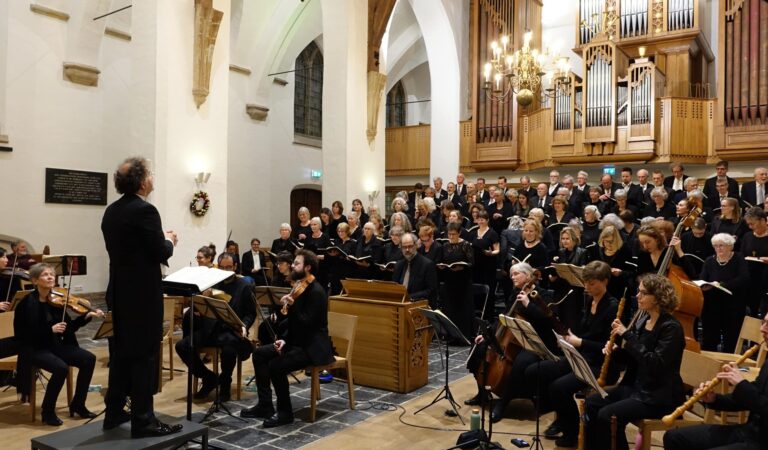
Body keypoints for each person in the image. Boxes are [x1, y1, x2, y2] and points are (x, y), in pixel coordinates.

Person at [101, 156, 182, 437]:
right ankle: (144, 420)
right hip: (142, 295)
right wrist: (169, 239)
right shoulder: (145, 210)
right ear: (143, 181)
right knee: (145, 356)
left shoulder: (111, 211)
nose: (152, 178)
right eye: (150, 174)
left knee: (121, 353)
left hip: (119, 291)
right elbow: (160, 252)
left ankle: (114, 412)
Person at [585, 274, 685, 450]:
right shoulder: (644, 320)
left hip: (658, 396)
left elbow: (655, 364)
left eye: (643, 293)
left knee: (608, 416)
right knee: (592, 404)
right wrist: (615, 351)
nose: (638, 296)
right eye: (639, 291)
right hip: (636, 387)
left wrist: (628, 335)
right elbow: (634, 359)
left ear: (658, 297)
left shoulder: (671, 328)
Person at [240, 250, 334, 427]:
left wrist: (293, 305)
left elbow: (306, 324)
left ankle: (285, 413)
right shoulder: (300, 286)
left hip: (312, 347)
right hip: (297, 343)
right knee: (259, 354)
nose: (292, 265)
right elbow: (293, 324)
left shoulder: (316, 292)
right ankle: (265, 405)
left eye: (297, 263)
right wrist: (284, 339)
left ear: (307, 267)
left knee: (276, 365)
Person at [535, 261, 618, 447]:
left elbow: (610, 346)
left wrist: (579, 342)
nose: (587, 287)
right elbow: (584, 332)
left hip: (600, 364)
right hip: (583, 357)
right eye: (585, 282)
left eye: (592, 283)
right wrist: (568, 339)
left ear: (605, 281)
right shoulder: (589, 301)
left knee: (558, 388)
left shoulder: (612, 307)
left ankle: (573, 432)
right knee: (540, 371)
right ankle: (563, 418)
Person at [14, 263, 104, 425]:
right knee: (60, 368)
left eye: (52, 274)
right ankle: (47, 411)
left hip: (55, 346)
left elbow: (69, 328)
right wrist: (50, 330)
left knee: (88, 359)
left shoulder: (56, 301)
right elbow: (22, 335)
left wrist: (87, 316)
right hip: (35, 348)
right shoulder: (27, 304)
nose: (50, 277)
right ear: (35, 281)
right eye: (45, 274)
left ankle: (78, 404)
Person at [663, 314, 768, 450]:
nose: (762, 329)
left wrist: (742, 384)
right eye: (763, 322)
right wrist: (714, 399)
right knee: (674, 437)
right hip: (749, 432)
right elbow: (750, 400)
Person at [176, 254, 254, 401]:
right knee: (182, 346)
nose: (225, 271)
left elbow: (251, 313)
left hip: (231, 330)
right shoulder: (213, 283)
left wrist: (244, 326)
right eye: (222, 267)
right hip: (211, 329)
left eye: (229, 267)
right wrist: (202, 300)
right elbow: (198, 307)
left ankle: (225, 386)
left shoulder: (244, 286)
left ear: (235, 267)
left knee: (229, 349)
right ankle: (209, 378)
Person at [699, 233, 749, 352]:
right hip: (712, 305)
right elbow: (702, 278)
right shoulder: (709, 260)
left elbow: (743, 278)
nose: (718, 248)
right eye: (715, 246)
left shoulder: (738, 258)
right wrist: (704, 286)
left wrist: (722, 285)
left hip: (733, 305)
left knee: (731, 339)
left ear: (730, 246)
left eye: (721, 245)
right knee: (709, 338)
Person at [436, 222, 474, 336]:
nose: (451, 237)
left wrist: (462, 267)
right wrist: (441, 266)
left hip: (463, 282)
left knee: (462, 309)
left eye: (453, 234)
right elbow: (441, 260)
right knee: (449, 308)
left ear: (459, 233)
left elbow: (472, 263)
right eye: (449, 234)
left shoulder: (465, 245)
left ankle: (463, 335)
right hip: (449, 280)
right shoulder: (445, 246)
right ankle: (450, 335)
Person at [392, 233, 438, 306]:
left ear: (416, 246)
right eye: (404, 247)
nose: (407, 250)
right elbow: (394, 286)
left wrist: (408, 298)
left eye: (410, 246)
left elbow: (431, 291)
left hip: (419, 305)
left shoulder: (427, 265)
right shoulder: (399, 265)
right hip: (399, 304)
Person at [741, 207, 768, 317]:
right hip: (751, 279)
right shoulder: (747, 236)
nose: (750, 227)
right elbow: (742, 255)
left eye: (752, 224)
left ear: (763, 220)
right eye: (748, 224)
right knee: (751, 312)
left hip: (766, 279)